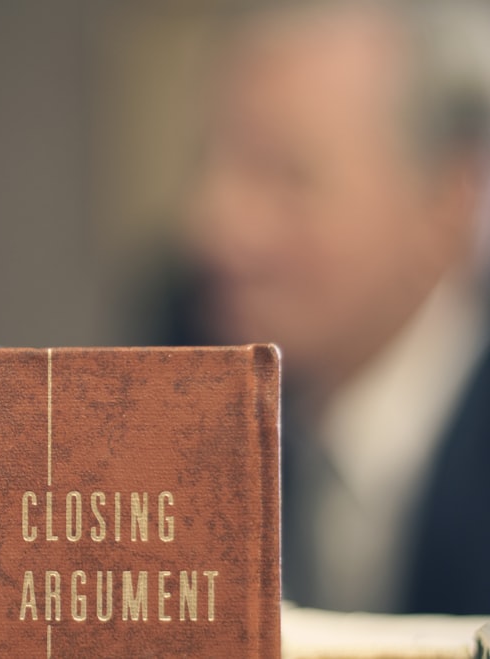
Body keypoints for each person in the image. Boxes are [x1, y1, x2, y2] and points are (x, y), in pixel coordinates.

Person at [181, 0, 490, 613]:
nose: (213, 224)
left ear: (444, 206)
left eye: (284, 175)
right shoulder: (181, 362)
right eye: (209, 163)